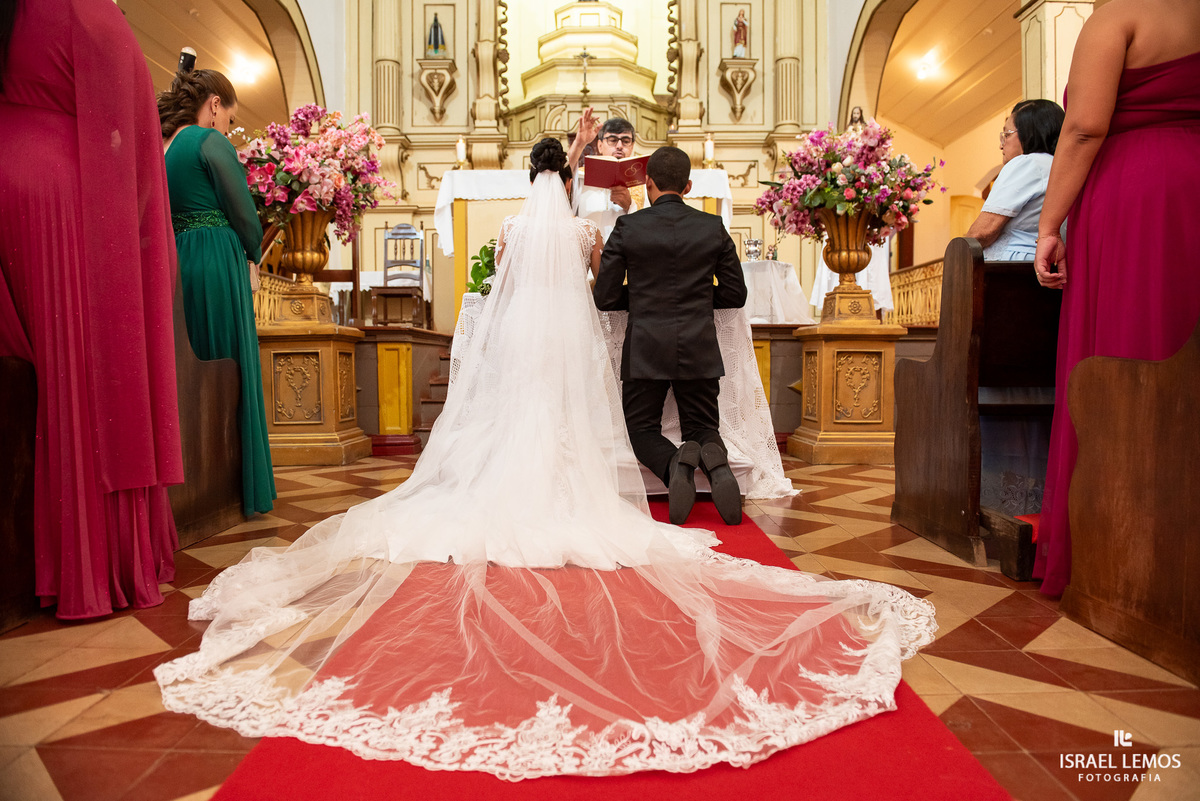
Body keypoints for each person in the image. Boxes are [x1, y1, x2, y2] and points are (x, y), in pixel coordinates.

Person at [155, 138, 935, 780]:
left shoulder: (517, 234)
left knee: (562, 419)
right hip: (616, 349)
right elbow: (636, 302)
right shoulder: (595, 230)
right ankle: (702, 460)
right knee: (594, 417)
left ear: (528, 175)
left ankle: (668, 463)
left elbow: (515, 298)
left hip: (523, 348)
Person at [0, 0, 183, 619]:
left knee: (54, 381)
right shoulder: (78, 7)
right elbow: (129, 128)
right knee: (85, 383)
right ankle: (90, 569)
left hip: (10, 183)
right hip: (60, 194)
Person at [1032, 0, 1200, 597]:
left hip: (1140, 190)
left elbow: (1083, 127)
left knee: (1130, 352)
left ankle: (1125, 549)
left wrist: (1050, 225)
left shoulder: (1120, 13)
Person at [595, 146, 748, 526]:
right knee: (702, 426)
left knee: (642, 429)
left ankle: (674, 464)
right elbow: (735, 294)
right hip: (698, 344)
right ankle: (717, 468)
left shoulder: (628, 227)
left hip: (646, 346)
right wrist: (692, 296)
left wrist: (649, 296)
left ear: (647, 183)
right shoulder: (712, 227)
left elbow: (605, 297)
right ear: (689, 186)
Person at [158, 69, 277, 516]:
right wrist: (253, 251)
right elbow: (243, 210)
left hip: (179, 258)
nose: (228, 127)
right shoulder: (209, 142)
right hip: (216, 256)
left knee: (193, 371)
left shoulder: (165, 146)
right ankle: (239, 487)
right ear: (213, 104)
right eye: (229, 116)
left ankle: (194, 486)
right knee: (233, 362)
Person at [967, 99, 1065, 260]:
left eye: (1007, 134)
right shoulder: (1061, 166)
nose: (1001, 145)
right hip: (1045, 262)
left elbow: (982, 232)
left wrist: (957, 255)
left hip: (1011, 265)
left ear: (1029, 133)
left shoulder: (1027, 163)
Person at [567, 108, 643, 242]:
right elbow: (561, 177)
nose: (619, 146)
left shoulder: (642, 179)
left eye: (626, 141)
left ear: (632, 146)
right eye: (612, 140)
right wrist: (579, 143)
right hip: (589, 250)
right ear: (600, 145)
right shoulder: (581, 175)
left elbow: (650, 222)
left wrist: (630, 205)